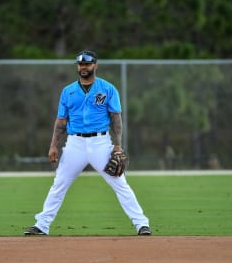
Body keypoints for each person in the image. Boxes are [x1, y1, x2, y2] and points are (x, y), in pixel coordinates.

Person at [24, 50, 151, 236]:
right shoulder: (68, 91)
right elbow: (61, 122)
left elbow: (116, 119)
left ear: (95, 65)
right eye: (80, 64)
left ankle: (141, 224)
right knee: (59, 184)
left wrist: (117, 146)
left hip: (101, 143)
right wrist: (53, 145)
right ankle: (42, 225)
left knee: (120, 183)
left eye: (87, 64)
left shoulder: (107, 89)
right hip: (75, 144)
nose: (83, 67)